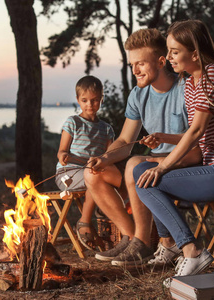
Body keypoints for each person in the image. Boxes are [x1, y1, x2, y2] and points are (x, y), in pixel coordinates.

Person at [133, 19, 214, 282]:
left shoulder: (213, 74)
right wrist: (163, 137)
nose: (167, 57)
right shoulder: (190, 83)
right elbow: (196, 136)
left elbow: (197, 131)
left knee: (148, 180)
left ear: (195, 52)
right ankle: (185, 248)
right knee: (142, 170)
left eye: (174, 52)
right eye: (168, 51)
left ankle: (190, 250)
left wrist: (164, 166)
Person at [84, 28, 200, 266]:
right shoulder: (138, 94)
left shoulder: (186, 89)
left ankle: (144, 242)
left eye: (141, 64)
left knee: (136, 164)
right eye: (131, 65)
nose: (135, 70)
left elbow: (197, 146)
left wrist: (159, 153)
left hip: (183, 164)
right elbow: (126, 141)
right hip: (152, 167)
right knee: (93, 173)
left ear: (160, 61)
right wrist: (104, 158)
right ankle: (130, 237)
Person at [55, 75, 114, 251]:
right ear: (78, 100)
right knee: (93, 181)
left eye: (95, 100)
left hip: (93, 172)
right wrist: (64, 155)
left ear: (101, 100)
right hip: (68, 173)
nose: (90, 104)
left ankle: (109, 225)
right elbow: (61, 151)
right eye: (85, 100)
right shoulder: (73, 122)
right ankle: (84, 223)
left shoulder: (106, 129)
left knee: (100, 179)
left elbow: (109, 157)